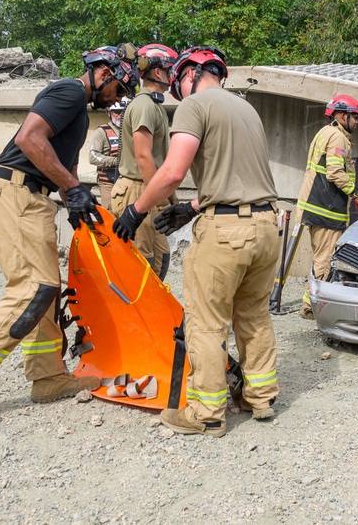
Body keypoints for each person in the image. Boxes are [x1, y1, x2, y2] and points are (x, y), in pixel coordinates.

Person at [0, 45, 137, 421]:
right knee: (32, 289)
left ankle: (47, 378)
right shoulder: (70, 92)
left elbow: (61, 164)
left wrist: (76, 199)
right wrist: (71, 189)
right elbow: (30, 139)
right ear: (105, 74)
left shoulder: (77, 112)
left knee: (49, 288)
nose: (119, 98)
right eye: (120, 89)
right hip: (14, 191)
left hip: (32, 195)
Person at [111, 46, 281, 438]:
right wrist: (191, 206)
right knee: (253, 315)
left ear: (190, 75)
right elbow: (239, 176)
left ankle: (206, 413)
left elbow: (172, 171)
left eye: (179, 84)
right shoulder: (246, 110)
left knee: (206, 322)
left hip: (225, 234)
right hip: (266, 226)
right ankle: (262, 397)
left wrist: (136, 210)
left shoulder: (195, 105)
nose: (179, 93)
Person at [294, 94, 358, 320]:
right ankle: (312, 308)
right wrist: (355, 192)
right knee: (325, 260)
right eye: (354, 117)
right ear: (342, 115)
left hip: (314, 205)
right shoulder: (337, 138)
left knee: (319, 258)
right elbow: (335, 173)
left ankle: (310, 304)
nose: (357, 122)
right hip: (326, 208)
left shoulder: (323, 133)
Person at [110, 44, 177, 279]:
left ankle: (151, 316)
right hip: (138, 190)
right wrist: (159, 201)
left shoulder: (153, 105)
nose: (173, 75)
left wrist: (169, 197)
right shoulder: (144, 106)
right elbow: (143, 157)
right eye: (169, 69)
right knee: (140, 264)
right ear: (157, 73)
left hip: (148, 189)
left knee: (159, 262)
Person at [89, 101, 125, 210]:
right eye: (117, 112)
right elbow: (93, 156)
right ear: (109, 113)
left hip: (129, 182)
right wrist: (116, 161)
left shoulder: (132, 130)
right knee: (111, 216)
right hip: (109, 183)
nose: (121, 115)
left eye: (124, 111)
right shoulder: (101, 131)